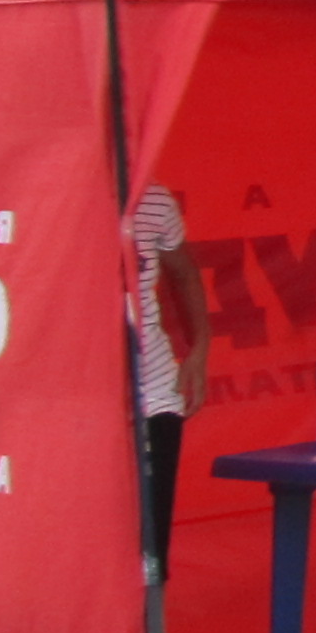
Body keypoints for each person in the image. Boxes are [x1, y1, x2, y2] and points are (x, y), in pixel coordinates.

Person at [125, 180, 205, 581]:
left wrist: (199, 347)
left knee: (151, 556)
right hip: (85, 402)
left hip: (155, 392)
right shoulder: (59, 200)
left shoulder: (153, 199)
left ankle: (151, 622)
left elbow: (184, 273)